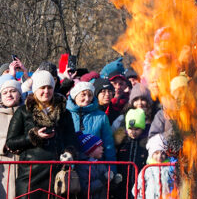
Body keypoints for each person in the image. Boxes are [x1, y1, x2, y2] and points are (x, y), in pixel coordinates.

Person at [5, 70, 78, 199]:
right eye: (42, 88)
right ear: (35, 89)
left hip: (56, 173)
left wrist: (69, 153)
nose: (46, 91)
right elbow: (11, 141)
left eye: (49, 87)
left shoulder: (64, 112)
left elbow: (71, 139)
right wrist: (33, 136)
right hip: (30, 174)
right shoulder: (23, 111)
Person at [67, 81, 117, 166]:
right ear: (75, 96)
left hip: (94, 168)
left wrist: (111, 170)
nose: (87, 99)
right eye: (83, 95)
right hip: (71, 167)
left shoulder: (101, 116)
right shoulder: (66, 114)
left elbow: (108, 146)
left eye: (90, 95)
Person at [76, 133, 121, 199]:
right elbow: (85, 189)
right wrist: (103, 179)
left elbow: (106, 186)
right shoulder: (82, 166)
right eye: (99, 146)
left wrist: (113, 181)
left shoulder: (100, 163)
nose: (102, 148)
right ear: (90, 150)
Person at [0, 75, 23, 199]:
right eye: (5, 92)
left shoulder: (27, 113)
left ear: (20, 94)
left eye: (13, 91)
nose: (9, 94)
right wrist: (5, 144)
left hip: (23, 166)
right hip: (3, 168)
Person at [133, 134, 176, 199]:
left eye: (163, 153)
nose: (159, 156)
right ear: (151, 154)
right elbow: (137, 189)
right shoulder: (146, 169)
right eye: (156, 153)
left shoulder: (170, 168)